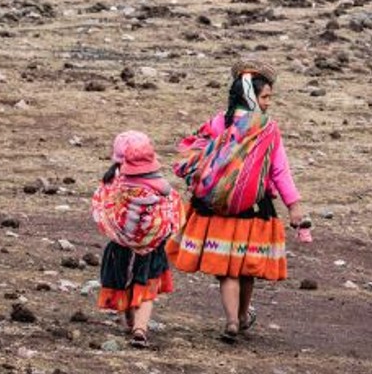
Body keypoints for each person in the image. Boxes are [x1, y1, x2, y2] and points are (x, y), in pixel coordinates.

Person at [167, 59, 305, 342]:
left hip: (215, 210)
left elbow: (193, 150)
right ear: (251, 95)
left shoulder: (220, 121)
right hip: (254, 210)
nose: (268, 103)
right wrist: (294, 206)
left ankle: (231, 320)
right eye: (265, 97)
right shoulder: (267, 128)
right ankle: (242, 317)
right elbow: (280, 170)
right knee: (246, 269)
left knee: (226, 271)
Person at [91, 131, 182, 349]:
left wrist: (120, 231)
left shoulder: (112, 184)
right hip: (151, 248)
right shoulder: (162, 187)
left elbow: (100, 208)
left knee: (123, 281)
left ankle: (129, 319)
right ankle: (140, 329)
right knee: (146, 287)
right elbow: (173, 212)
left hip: (120, 246)